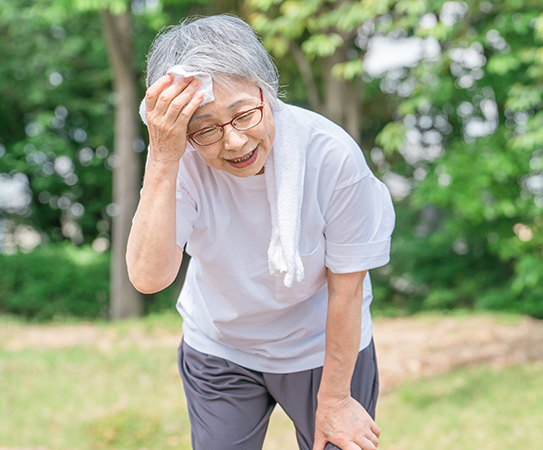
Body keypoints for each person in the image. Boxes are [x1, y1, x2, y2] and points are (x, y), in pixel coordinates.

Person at [126, 14, 395, 450]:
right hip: (222, 346)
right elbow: (148, 277)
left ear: (265, 92)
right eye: (206, 128)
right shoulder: (179, 161)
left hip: (321, 346)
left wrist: (336, 399)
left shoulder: (331, 156)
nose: (232, 142)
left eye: (243, 115)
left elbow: (346, 290)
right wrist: (161, 158)